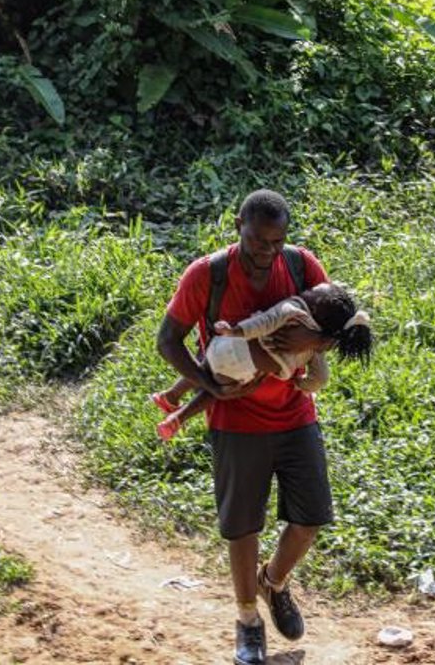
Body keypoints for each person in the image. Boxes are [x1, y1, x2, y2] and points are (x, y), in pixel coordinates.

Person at [156, 189, 338, 665]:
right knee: (242, 529)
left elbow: (335, 321)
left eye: (277, 243)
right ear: (238, 225)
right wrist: (208, 387)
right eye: (258, 241)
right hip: (236, 421)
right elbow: (168, 341)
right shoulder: (207, 274)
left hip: (295, 416)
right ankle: (247, 622)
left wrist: (314, 341)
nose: (267, 253)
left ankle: (273, 582)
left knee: (312, 516)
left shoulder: (301, 266)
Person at [153, 281, 372, 441]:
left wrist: (235, 330)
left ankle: (172, 395)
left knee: (203, 370)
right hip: (244, 371)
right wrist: (301, 384)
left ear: (315, 309)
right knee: (214, 389)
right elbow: (320, 378)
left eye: (310, 292)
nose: (305, 291)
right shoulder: (315, 348)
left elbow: (264, 322)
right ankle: (178, 418)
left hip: (232, 346)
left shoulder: (294, 309)